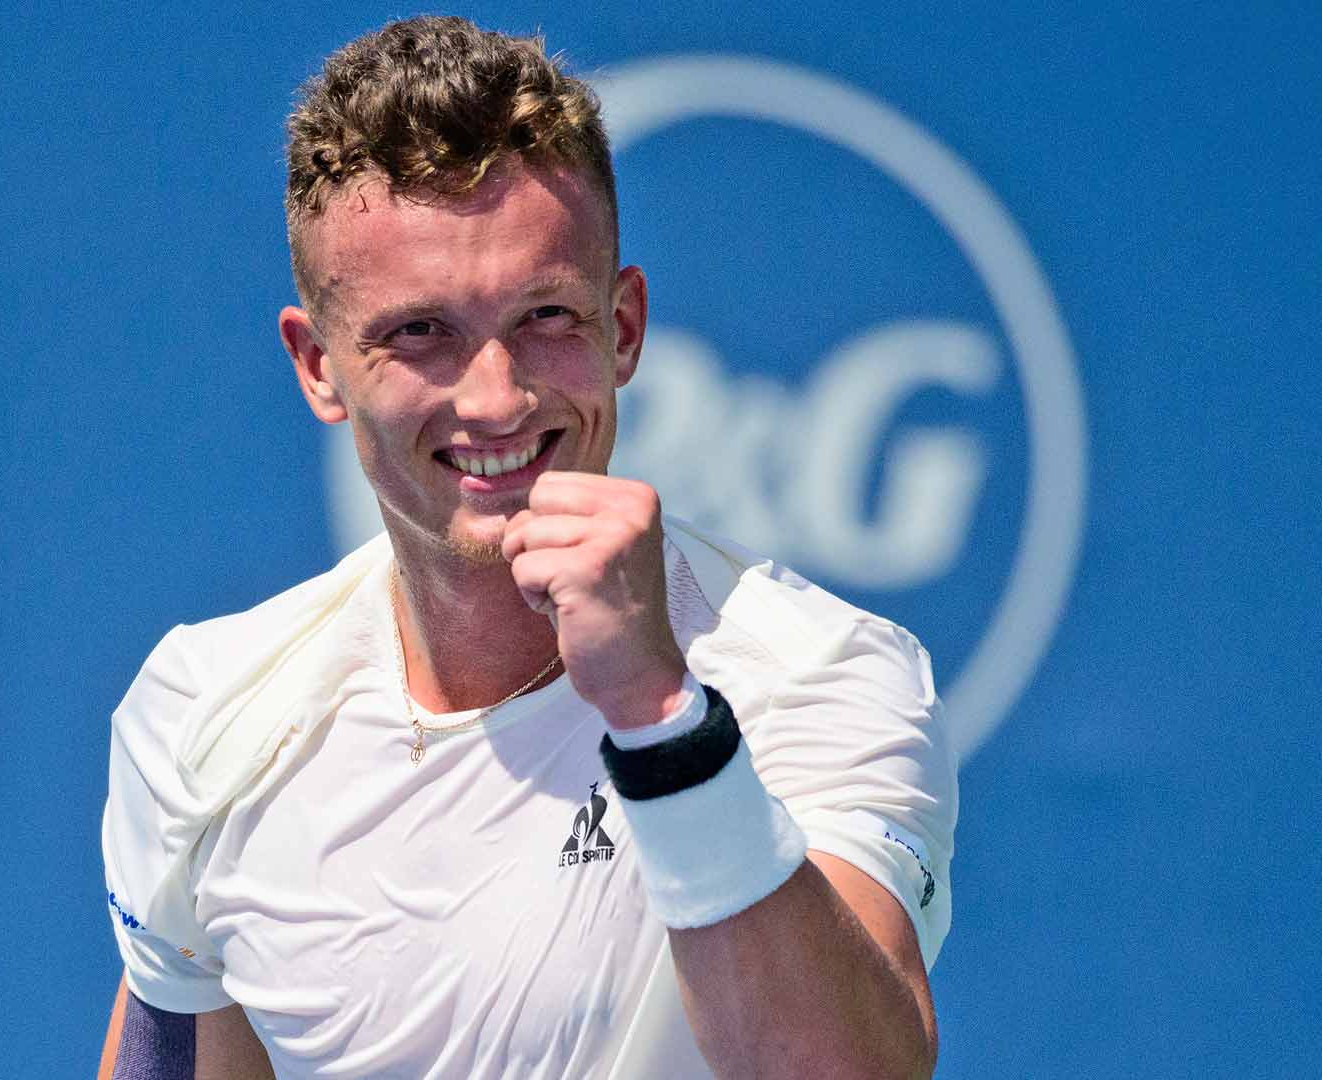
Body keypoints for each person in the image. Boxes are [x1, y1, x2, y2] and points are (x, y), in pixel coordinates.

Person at [99, 15, 956, 1079]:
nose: (498, 397)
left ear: (624, 327)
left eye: (546, 315)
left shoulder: (821, 674)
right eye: (421, 332)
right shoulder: (205, 715)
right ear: (318, 365)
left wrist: (662, 722)